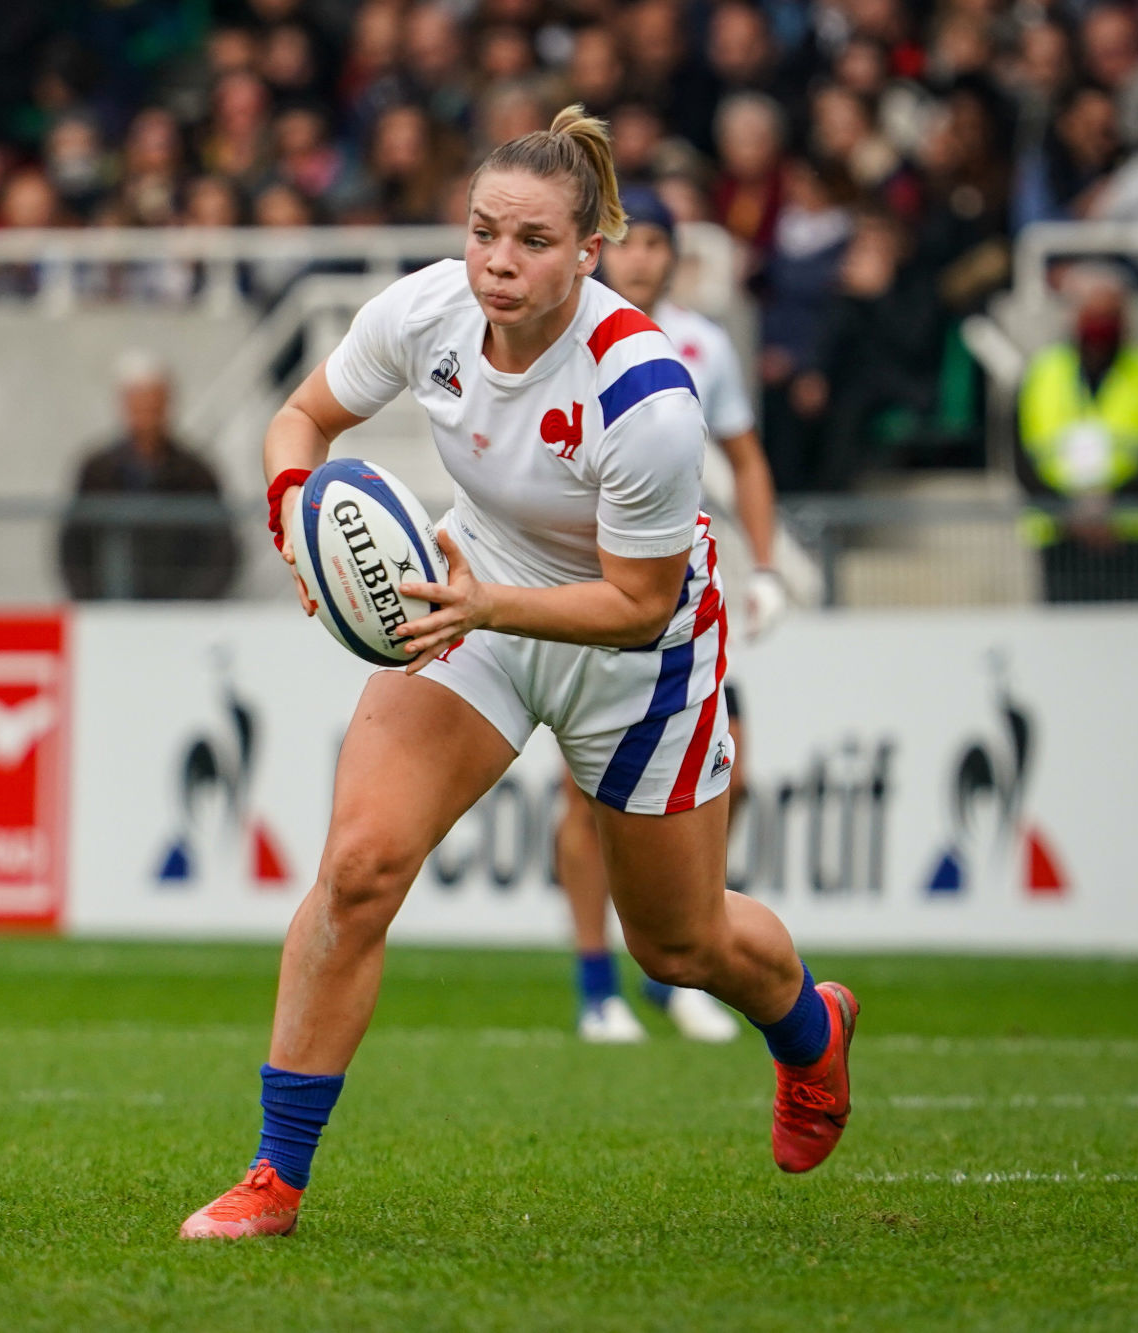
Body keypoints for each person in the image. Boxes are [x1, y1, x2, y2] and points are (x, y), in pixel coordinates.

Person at [179, 107, 859, 1240]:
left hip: (638, 652)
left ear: (588, 253)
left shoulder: (644, 393)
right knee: (358, 867)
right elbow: (301, 417)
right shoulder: (425, 310)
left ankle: (810, 1030)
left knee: (678, 942)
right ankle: (274, 1178)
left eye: (533, 240)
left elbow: (637, 603)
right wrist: (293, 510)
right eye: (483, 230)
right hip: (477, 597)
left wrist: (487, 604)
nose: (497, 260)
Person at [558, 184, 786, 1044]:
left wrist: (767, 566)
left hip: (683, 600)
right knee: (584, 798)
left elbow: (745, 458)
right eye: (630, 240)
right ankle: (596, 985)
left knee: (728, 778)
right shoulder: (566, 336)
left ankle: (672, 967)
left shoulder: (703, 345)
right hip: (591, 591)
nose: (642, 257)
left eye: (657, 242)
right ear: (600, 250)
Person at [1016, 273, 1138, 602]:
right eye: (1093, 314)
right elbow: (1023, 459)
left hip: (1133, 539)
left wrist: (1113, 507)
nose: (1101, 326)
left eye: (1109, 315)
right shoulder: (1043, 373)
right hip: (1061, 541)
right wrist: (1070, 513)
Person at [59, 351, 239, 600]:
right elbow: (74, 546)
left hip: (180, 607)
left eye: (154, 406)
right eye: (139, 406)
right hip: (113, 605)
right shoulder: (97, 470)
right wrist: (93, 599)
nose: (147, 416)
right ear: (124, 406)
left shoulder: (195, 472)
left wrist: (193, 602)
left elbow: (221, 547)